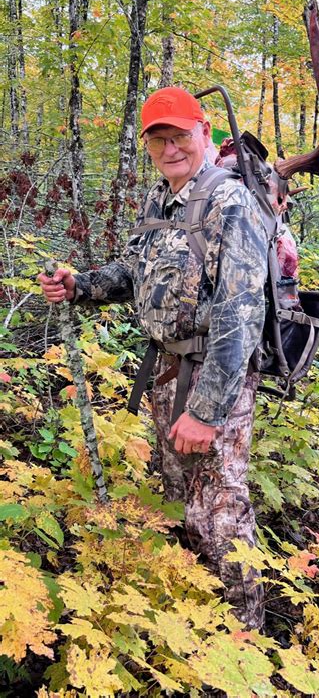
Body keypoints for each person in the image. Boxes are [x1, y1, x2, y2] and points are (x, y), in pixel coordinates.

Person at [39, 86, 268, 630]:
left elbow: (241, 316)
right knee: (178, 498)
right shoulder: (160, 199)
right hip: (168, 372)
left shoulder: (231, 203)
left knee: (220, 513)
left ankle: (246, 639)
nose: (170, 150)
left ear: (204, 133)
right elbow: (138, 273)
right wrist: (82, 285)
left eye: (180, 136)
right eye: (158, 140)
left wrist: (207, 411)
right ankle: (194, 619)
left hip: (215, 380)